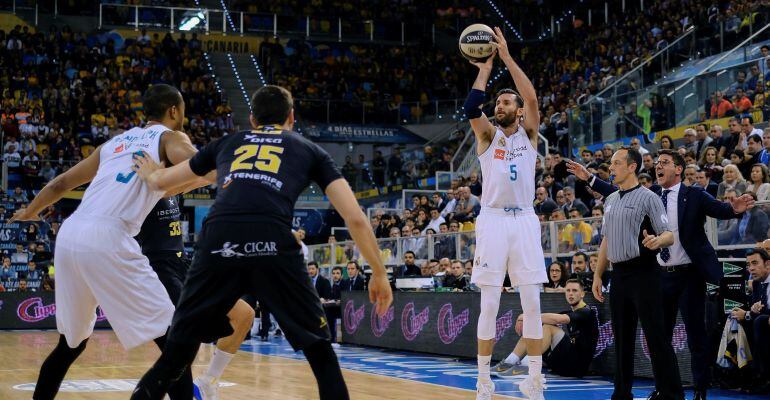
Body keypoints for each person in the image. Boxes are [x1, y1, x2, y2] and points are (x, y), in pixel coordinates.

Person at [129, 85, 392, 400]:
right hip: (273, 240)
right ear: (291, 117)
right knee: (321, 354)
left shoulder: (227, 142)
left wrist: (150, 173)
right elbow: (356, 219)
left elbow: (164, 182)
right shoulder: (309, 149)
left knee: (174, 357)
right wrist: (378, 272)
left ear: (252, 119)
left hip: (218, 238)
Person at [10, 84, 209, 399]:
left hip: (71, 233)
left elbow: (61, 182)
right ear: (174, 110)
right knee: (175, 341)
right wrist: (171, 175)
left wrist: (29, 211)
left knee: (70, 344)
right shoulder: (170, 138)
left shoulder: (113, 143)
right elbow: (205, 164)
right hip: (109, 236)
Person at [463, 27, 547, 400]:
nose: (501, 106)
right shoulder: (487, 137)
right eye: (498, 102)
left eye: (506, 103)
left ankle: (534, 378)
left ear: (517, 111)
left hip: (525, 219)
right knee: (490, 302)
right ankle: (483, 380)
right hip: (494, 219)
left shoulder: (528, 134)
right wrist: (484, 68)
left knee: (532, 302)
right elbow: (470, 108)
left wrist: (508, 58)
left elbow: (530, 96)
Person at [135, 196, 256, 400]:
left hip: (185, 265)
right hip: (159, 268)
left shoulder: (174, 187)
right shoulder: (144, 183)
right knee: (184, 341)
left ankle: (207, 382)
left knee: (245, 315)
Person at [590, 147, 684, 400]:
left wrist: (657, 241)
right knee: (622, 339)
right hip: (618, 276)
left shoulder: (649, 197)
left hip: (644, 273)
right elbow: (606, 241)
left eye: (616, 163)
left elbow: (669, 234)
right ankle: (622, 393)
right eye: (611, 163)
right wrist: (599, 275)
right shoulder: (609, 201)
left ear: (632, 167)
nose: (611, 168)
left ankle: (671, 394)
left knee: (656, 336)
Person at [493, 279, 598, 378]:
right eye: (568, 290)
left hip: (577, 366)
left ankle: (526, 366)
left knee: (548, 327)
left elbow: (559, 319)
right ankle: (509, 362)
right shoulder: (571, 312)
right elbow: (549, 318)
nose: (571, 293)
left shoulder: (586, 312)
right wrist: (524, 319)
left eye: (575, 290)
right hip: (562, 363)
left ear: (582, 294)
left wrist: (524, 317)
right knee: (536, 328)